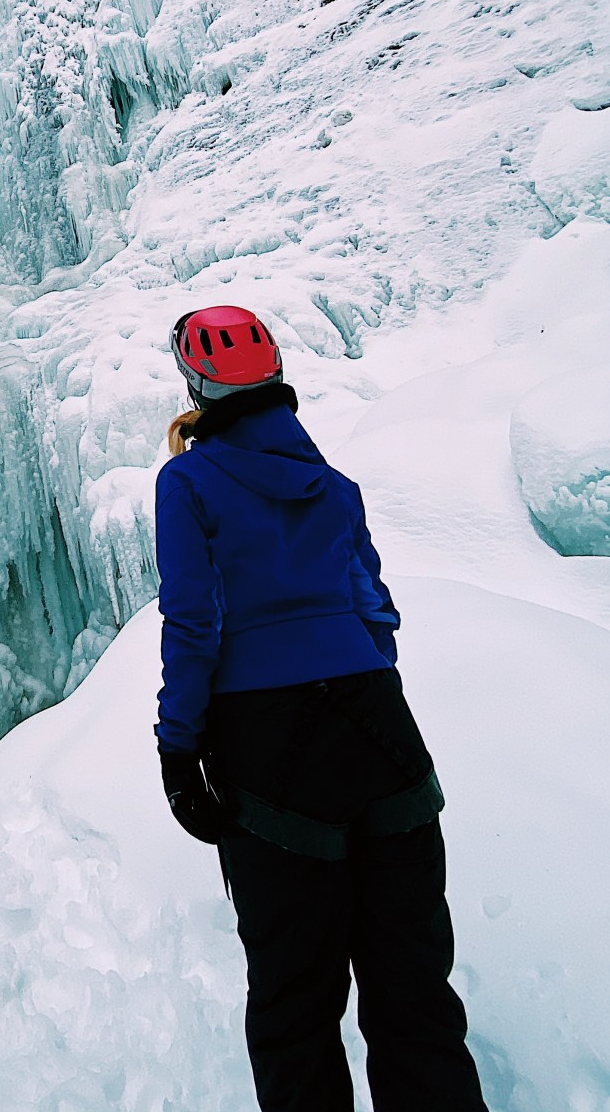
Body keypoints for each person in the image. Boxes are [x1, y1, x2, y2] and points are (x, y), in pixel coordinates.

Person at [155, 303, 487, 1112]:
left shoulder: (187, 481)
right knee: (414, 997)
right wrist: (356, 690)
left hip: (271, 751)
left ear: (197, 384)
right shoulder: (336, 487)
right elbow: (375, 611)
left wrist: (178, 744)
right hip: (383, 733)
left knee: (295, 1006)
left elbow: (196, 623)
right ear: (275, 380)